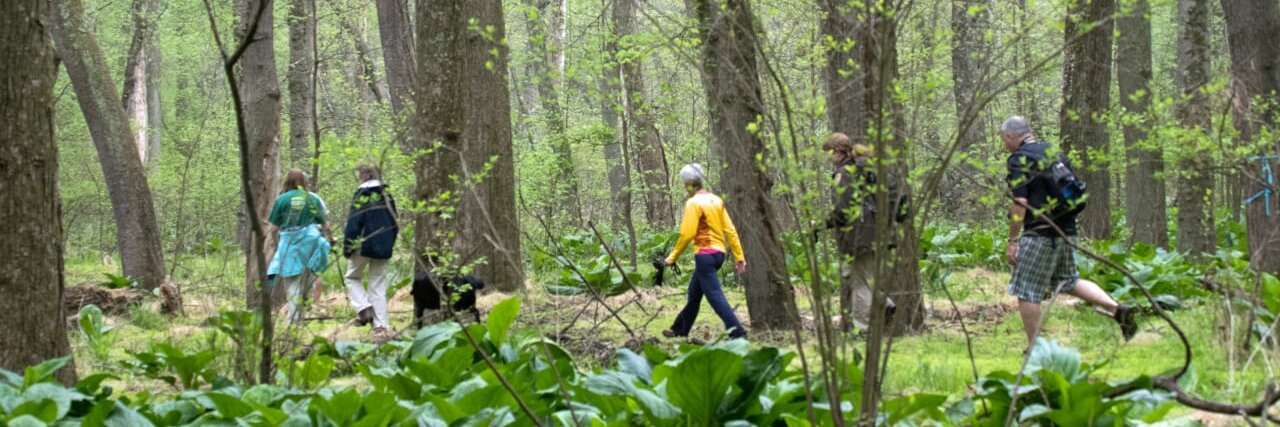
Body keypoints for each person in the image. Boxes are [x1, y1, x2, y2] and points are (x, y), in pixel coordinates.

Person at [1000, 116, 1137, 348]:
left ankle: (1036, 349)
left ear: (1011, 136)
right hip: (1067, 231)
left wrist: (1013, 240)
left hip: (1039, 233)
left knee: (1026, 291)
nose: (1004, 144)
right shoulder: (1055, 154)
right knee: (1069, 280)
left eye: (1004, 139)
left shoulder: (1019, 160)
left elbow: (1020, 202)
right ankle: (1117, 309)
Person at [662, 163, 749, 340]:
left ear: (687, 184)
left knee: (714, 296)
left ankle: (738, 332)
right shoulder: (717, 201)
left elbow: (687, 234)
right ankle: (680, 329)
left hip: (705, 255)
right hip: (719, 255)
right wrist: (739, 257)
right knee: (694, 293)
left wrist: (672, 258)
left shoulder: (693, 203)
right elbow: (730, 229)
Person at [823, 133, 898, 332]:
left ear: (838, 152)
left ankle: (863, 329)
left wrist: (822, 223)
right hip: (876, 234)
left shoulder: (845, 174)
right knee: (855, 275)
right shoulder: (863, 170)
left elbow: (843, 210)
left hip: (860, 237)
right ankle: (886, 305)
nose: (828, 158)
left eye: (829, 153)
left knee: (860, 283)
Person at [266, 168, 332, 324]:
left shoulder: (282, 200)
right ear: (304, 181)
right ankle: (300, 314)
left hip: (290, 243)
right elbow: (324, 223)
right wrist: (329, 238)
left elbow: (273, 227)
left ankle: (294, 321)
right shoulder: (311, 199)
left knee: (292, 281)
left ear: (287, 180)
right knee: (308, 277)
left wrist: (275, 244)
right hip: (311, 241)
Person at [342, 164, 399, 337]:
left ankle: (364, 308)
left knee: (351, 277)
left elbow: (354, 222)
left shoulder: (362, 194)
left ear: (363, 175)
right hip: (384, 244)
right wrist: (390, 242)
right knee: (378, 285)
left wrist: (348, 246)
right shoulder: (386, 194)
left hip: (363, 244)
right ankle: (380, 326)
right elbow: (395, 221)